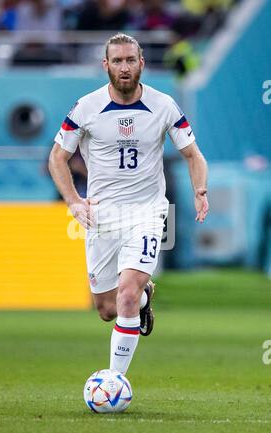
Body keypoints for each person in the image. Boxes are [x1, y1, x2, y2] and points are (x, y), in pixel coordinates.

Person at [48, 33, 209, 376]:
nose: (124, 67)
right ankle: (144, 298)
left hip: (147, 213)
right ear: (106, 65)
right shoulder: (86, 107)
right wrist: (75, 202)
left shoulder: (163, 105)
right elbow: (57, 158)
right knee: (107, 309)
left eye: (130, 60)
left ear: (142, 64)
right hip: (102, 216)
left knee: (126, 295)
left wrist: (200, 189)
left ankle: (114, 380)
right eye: (117, 61)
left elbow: (193, 154)